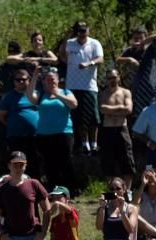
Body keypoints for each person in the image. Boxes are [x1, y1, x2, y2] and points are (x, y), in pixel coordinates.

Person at [29, 66, 78, 193]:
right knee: (49, 163)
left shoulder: (66, 92)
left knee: (66, 161)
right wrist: (34, 76)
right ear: (44, 81)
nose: (51, 82)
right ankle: (53, 189)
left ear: (58, 80)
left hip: (64, 133)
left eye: (53, 79)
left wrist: (57, 94)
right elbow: (29, 95)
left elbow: (73, 104)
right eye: (48, 79)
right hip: (44, 135)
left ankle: (70, 189)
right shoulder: (41, 95)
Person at [64, 22, 104, 154]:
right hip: (73, 86)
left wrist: (89, 63)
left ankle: (94, 143)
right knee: (79, 118)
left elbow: (100, 58)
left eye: (84, 31)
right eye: (79, 31)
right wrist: (67, 37)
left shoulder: (94, 43)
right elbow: (62, 56)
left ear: (88, 31)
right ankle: (84, 144)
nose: (82, 33)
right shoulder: (70, 43)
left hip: (89, 86)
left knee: (93, 117)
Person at [0, 68, 41, 179]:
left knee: (35, 161)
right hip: (16, 136)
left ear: (29, 80)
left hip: (35, 135)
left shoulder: (36, 94)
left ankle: (36, 184)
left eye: (23, 79)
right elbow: (1, 116)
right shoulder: (9, 96)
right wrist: (13, 124)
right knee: (17, 162)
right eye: (18, 80)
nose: (20, 82)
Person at [99, 70, 136, 189]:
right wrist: (120, 108)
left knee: (127, 161)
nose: (112, 80)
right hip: (107, 130)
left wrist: (111, 110)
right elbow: (102, 110)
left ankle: (128, 192)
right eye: (109, 78)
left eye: (114, 77)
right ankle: (111, 192)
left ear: (118, 77)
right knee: (108, 162)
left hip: (122, 129)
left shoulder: (126, 92)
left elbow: (128, 110)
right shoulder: (103, 94)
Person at [117, 28, 156, 120]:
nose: (138, 40)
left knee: (153, 107)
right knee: (138, 110)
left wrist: (142, 43)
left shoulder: (150, 48)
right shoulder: (131, 51)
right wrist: (129, 59)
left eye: (141, 38)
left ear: (145, 37)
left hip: (150, 84)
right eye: (136, 38)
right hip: (137, 84)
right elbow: (118, 60)